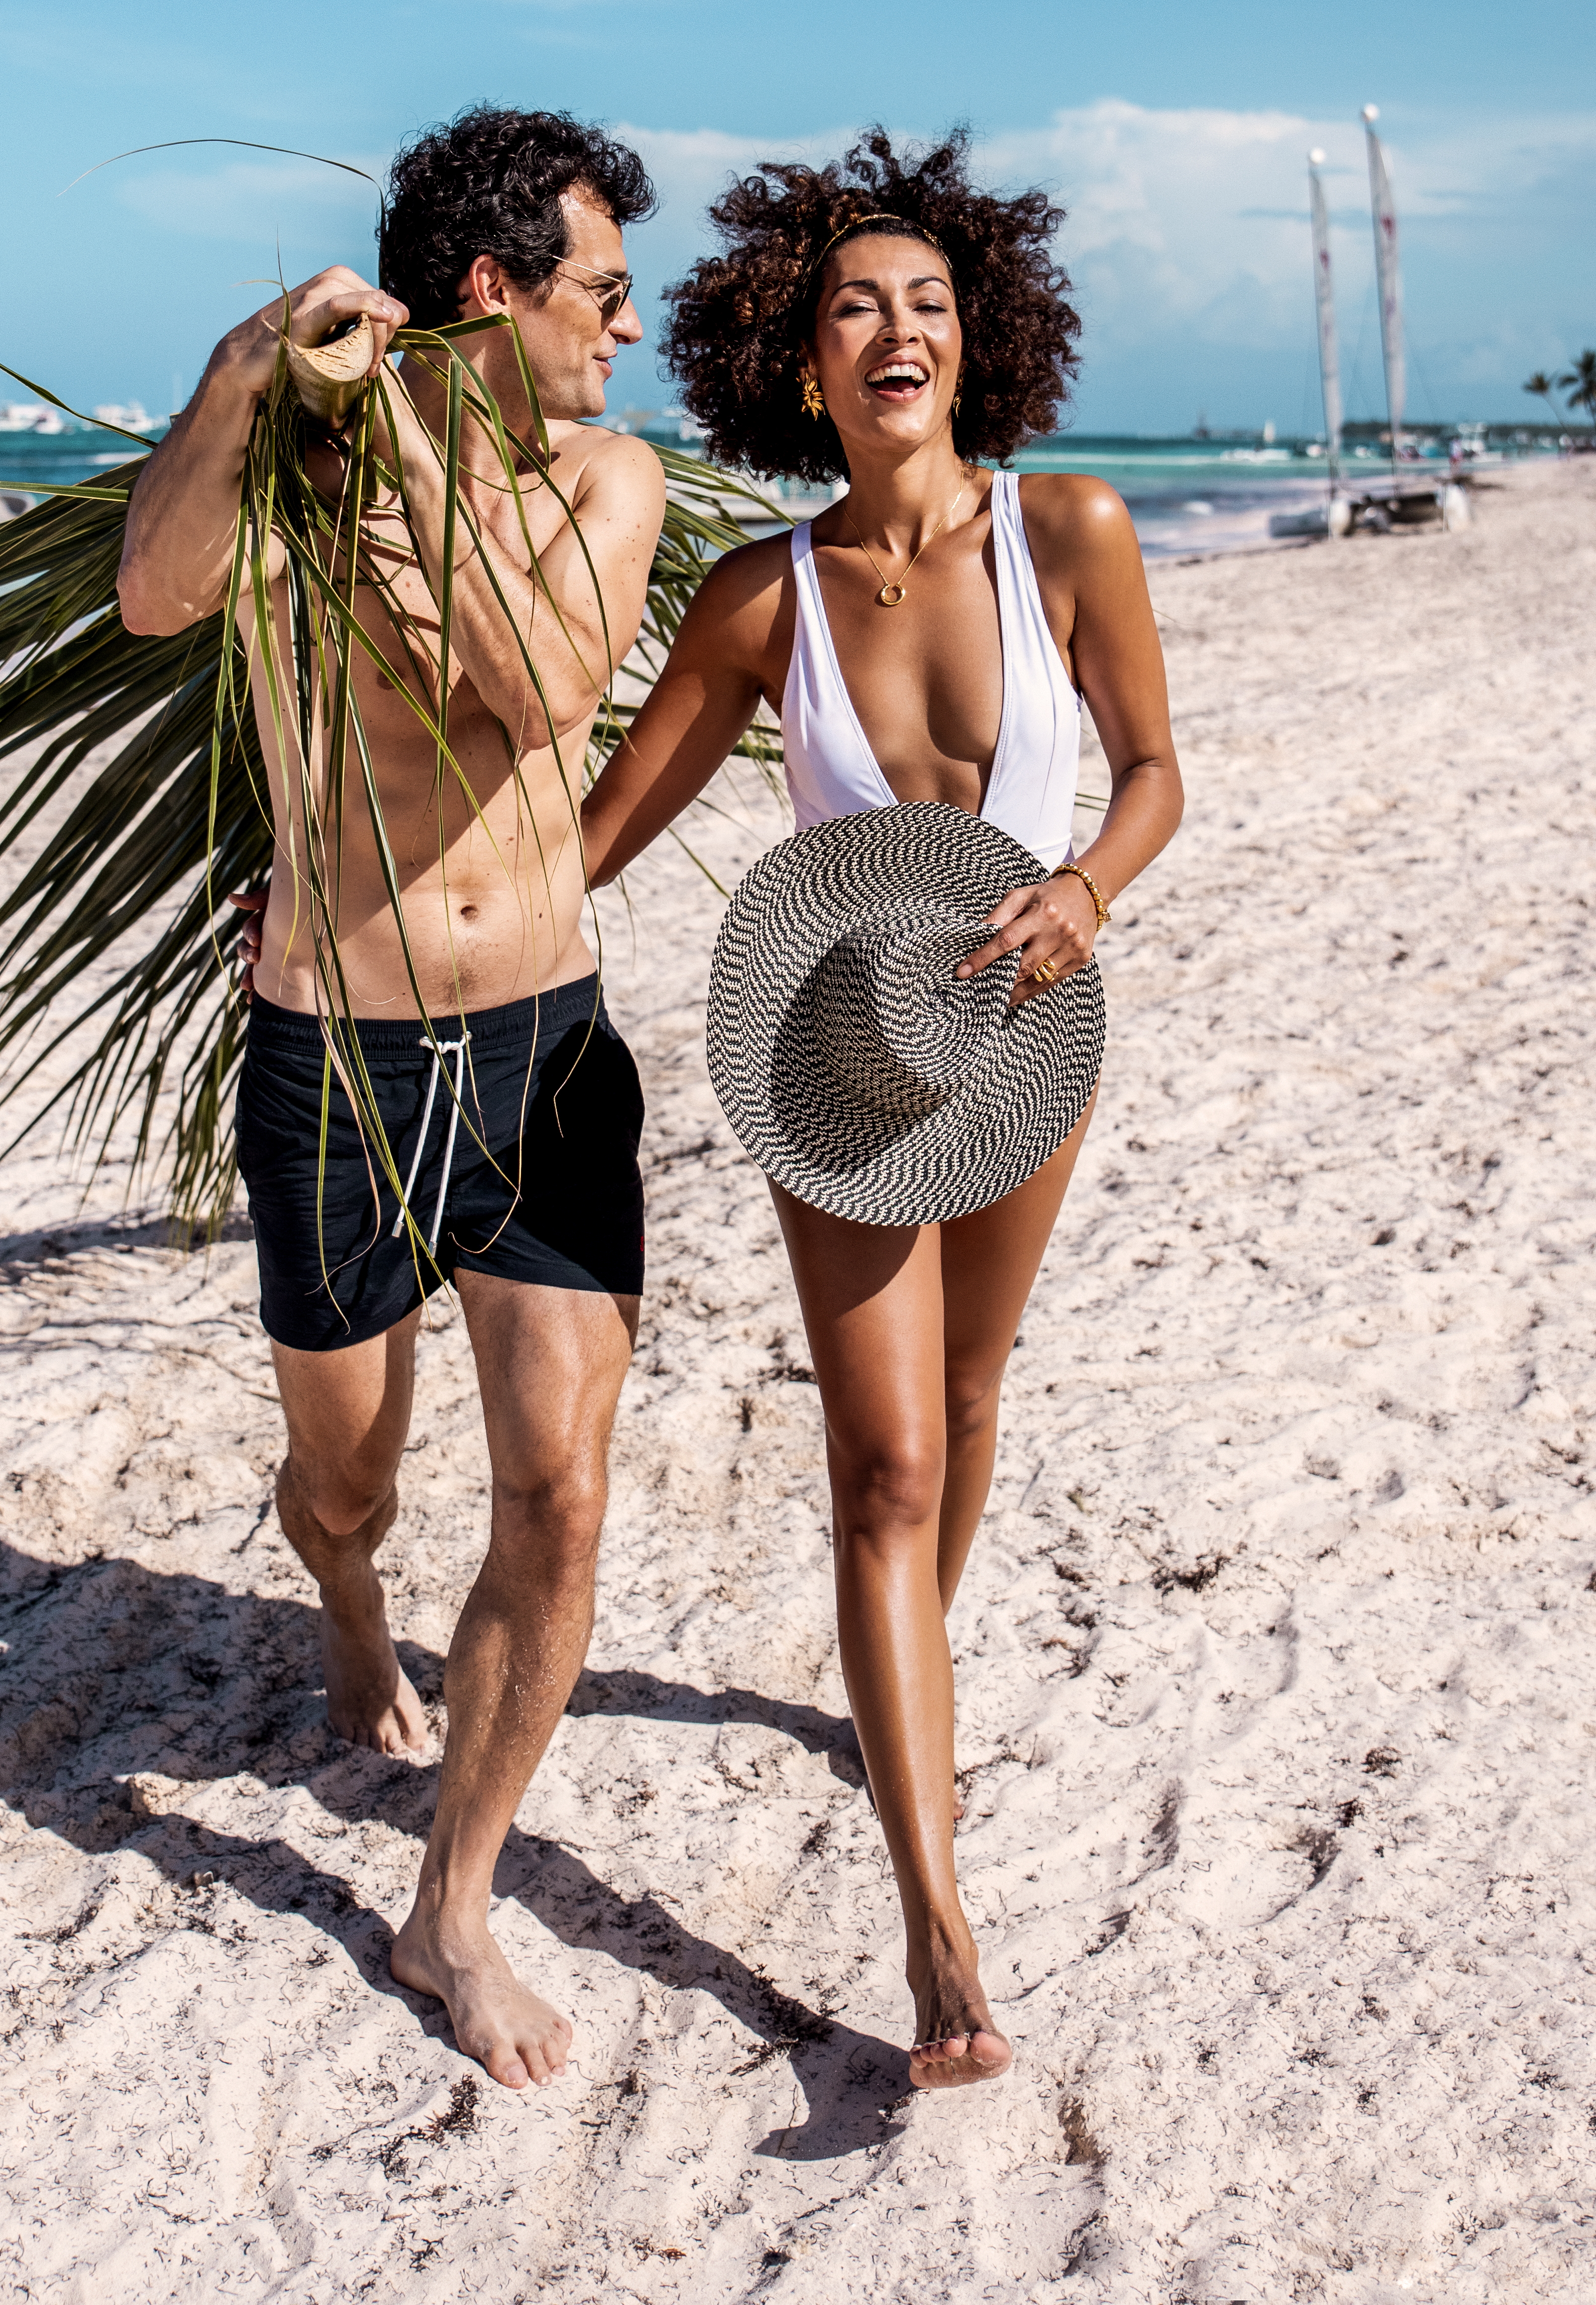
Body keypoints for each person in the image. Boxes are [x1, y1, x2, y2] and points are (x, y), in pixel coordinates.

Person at [580, 128, 1183, 2090]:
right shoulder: (764, 595)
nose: (893, 326)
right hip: (831, 1047)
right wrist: (393, 868)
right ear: (799, 349)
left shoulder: (1070, 528)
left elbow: (1156, 769)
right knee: (887, 1467)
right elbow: (596, 831)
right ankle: (937, 1924)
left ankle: (892, 1668)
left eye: (925, 298)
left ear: (973, 335)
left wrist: (1084, 883)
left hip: (1022, 1023)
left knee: (980, 1395)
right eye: (855, 302)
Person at [117, 107, 669, 2091]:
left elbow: (538, 684)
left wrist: (381, 486)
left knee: (562, 1485)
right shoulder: (290, 451)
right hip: (334, 1056)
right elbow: (156, 595)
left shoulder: (607, 471)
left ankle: (452, 1902)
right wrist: (244, 380)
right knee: (345, 1473)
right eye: (603, 295)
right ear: (492, 292)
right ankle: (347, 1600)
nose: (630, 331)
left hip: (540, 1047)